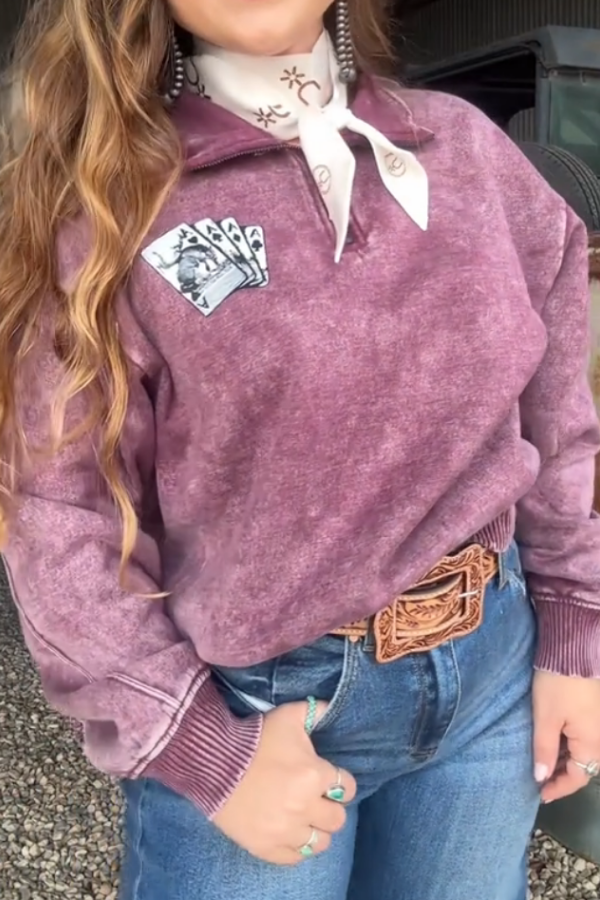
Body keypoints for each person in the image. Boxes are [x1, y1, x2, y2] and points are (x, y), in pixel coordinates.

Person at [1, 1, 600, 899]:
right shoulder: (111, 208)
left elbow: (556, 417)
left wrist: (572, 625)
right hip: (258, 712)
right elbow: (56, 509)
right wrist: (192, 740)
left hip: (492, 680)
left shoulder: (470, 153)